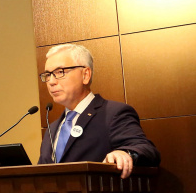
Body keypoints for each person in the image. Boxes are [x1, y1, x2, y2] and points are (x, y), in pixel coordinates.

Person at [38, 43, 160, 178]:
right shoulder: (53, 128)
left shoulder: (113, 113)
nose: (51, 81)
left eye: (60, 72)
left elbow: (146, 150)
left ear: (85, 75)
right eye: (48, 74)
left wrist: (125, 153)